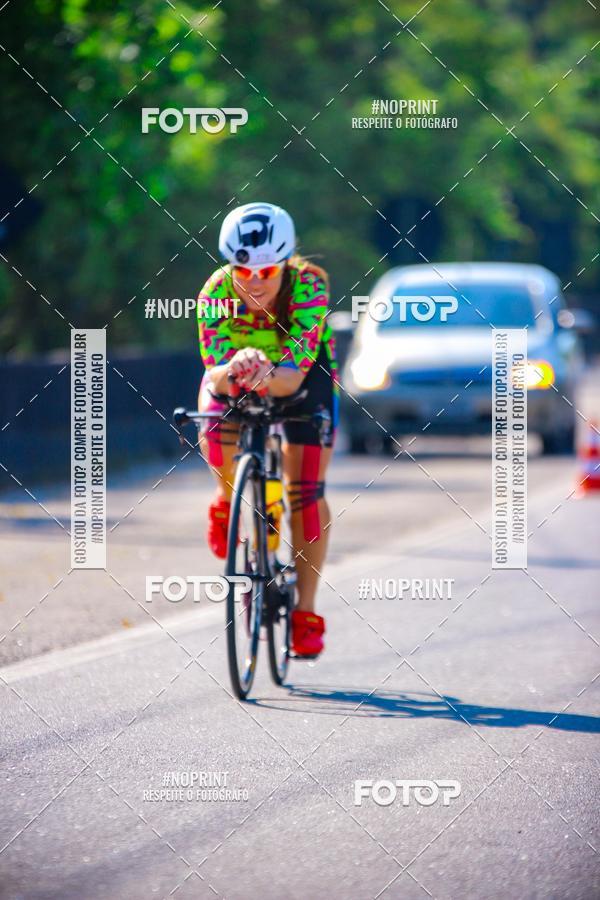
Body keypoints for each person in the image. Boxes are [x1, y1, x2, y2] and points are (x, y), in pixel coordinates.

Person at [196, 202, 338, 658]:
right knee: (212, 420)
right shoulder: (215, 291)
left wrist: (264, 374)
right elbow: (215, 376)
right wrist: (236, 368)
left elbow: (293, 378)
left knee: (306, 493)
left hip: (301, 379)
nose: (255, 281)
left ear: (286, 263)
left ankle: (306, 613)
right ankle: (226, 497)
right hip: (239, 374)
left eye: (268, 271)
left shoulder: (309, 285)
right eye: (244, 270)